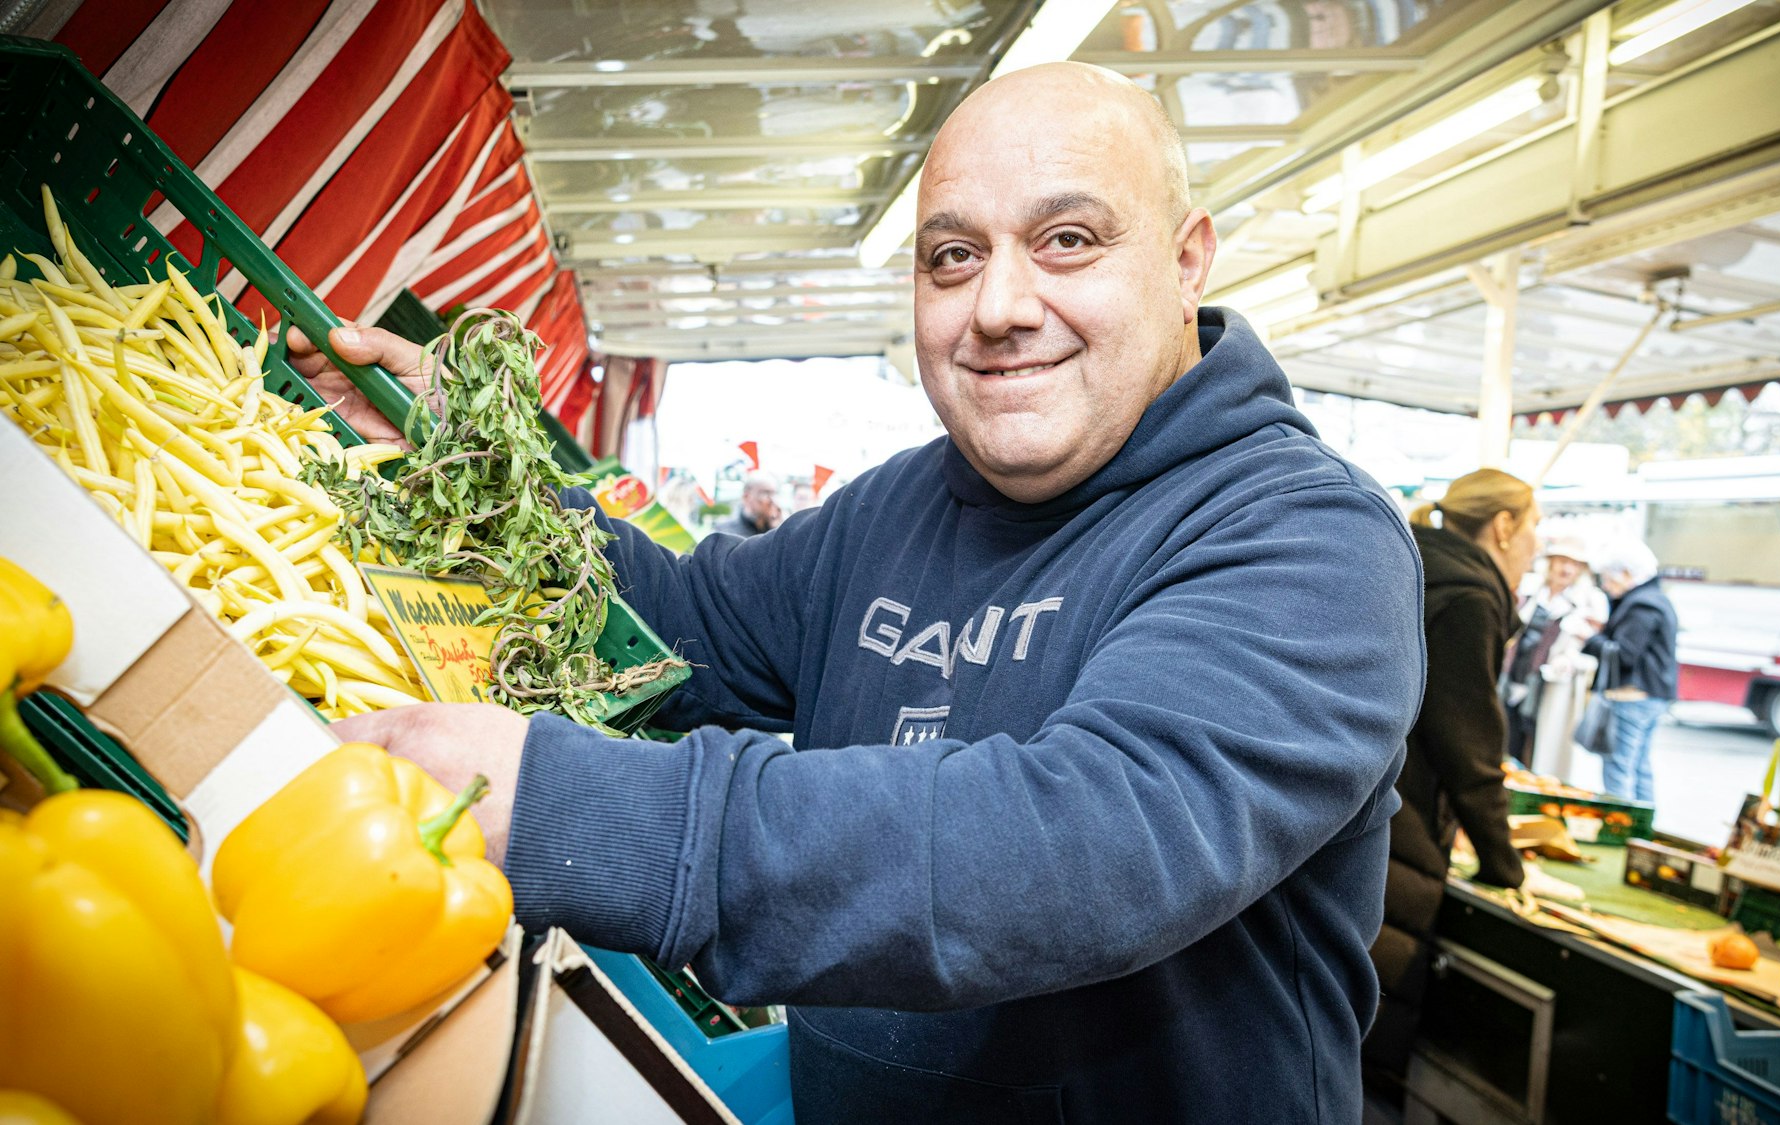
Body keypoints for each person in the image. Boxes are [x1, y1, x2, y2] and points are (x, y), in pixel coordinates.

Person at [288, 62, 1424, 1123]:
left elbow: (1078, 844)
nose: (998, 307)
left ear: (1186, 261)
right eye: (951, 257)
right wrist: (483, 476)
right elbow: (674, 626)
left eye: (1067, 240)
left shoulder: (1304, 538)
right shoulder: (894, 510)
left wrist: (570, 811)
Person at [1365, 469, 1537, 1085]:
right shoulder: (1470, 595)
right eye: (1535, 528)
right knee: (1368, 1030)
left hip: (1363, 801)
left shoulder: (1410, 557)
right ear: (1504, 526)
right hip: (1400, 822)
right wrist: (1504, 865)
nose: (1535, 548)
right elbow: (1470, 747)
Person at [1584, 538, 1678, 802]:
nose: (1605, 585)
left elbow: (1624, 654)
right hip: (1651, 697)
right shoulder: (1656, 599)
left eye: (1607, 578)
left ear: (1626, 573)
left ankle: (1621, 826)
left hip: (1632, 697)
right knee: (1639, 766)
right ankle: (1641, 828)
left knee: (1619, 767)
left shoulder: (1641, 604)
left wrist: (1589, 638)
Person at [1502, 536, 1606, 765]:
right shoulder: (1529, 590)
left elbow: (1593, 647)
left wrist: (1570, 659)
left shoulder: (1590, 601)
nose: (1566, 569)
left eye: (1574, 564)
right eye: (1561, 561)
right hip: (1512, 675)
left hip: (1550, 685)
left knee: (1538, 746)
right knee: (1505, 736)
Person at [721, 471, 781, 537]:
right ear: (746, 497)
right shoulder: (726, 534)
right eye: (765, 493)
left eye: (774, 494)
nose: (773, 501)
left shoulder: (777, 527)